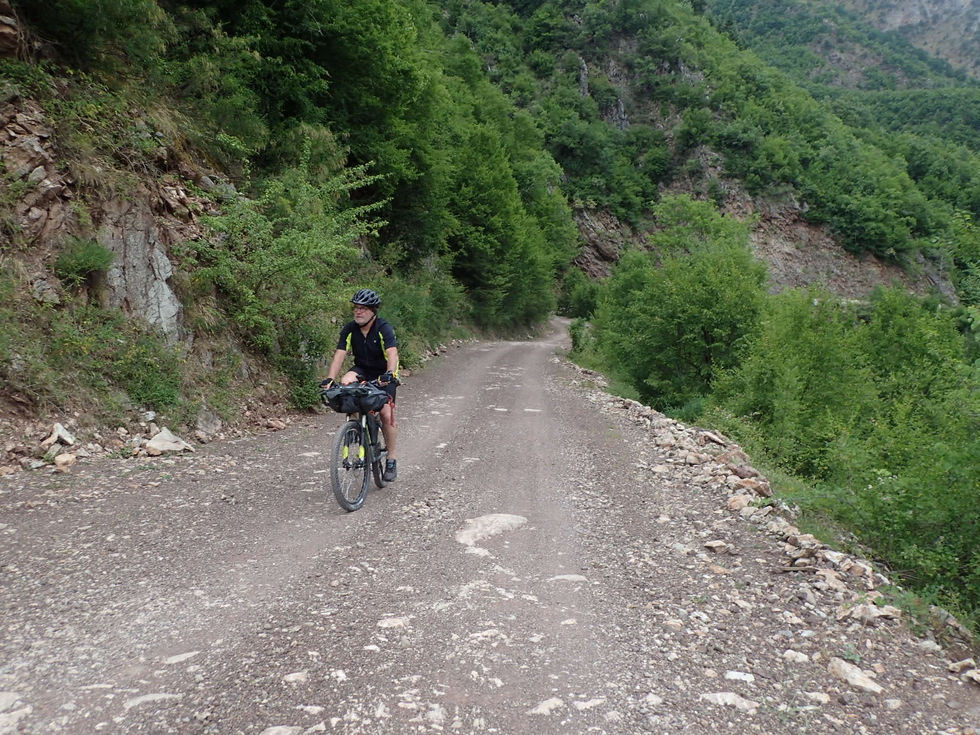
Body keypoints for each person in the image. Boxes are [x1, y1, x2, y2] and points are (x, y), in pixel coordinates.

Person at [322, 289, 400, 482]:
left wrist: (390, 374)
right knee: (346, 384)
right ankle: (356, 426)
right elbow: (340, 354)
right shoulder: (350, 329)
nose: (358, 311)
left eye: (363, 308)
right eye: (356, 308)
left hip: (383, 373)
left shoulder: (383, 328)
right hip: (362, 369)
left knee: (386, 414)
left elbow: (392, 353)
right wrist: (330, 378)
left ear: (373, 311)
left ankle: (391, 459)